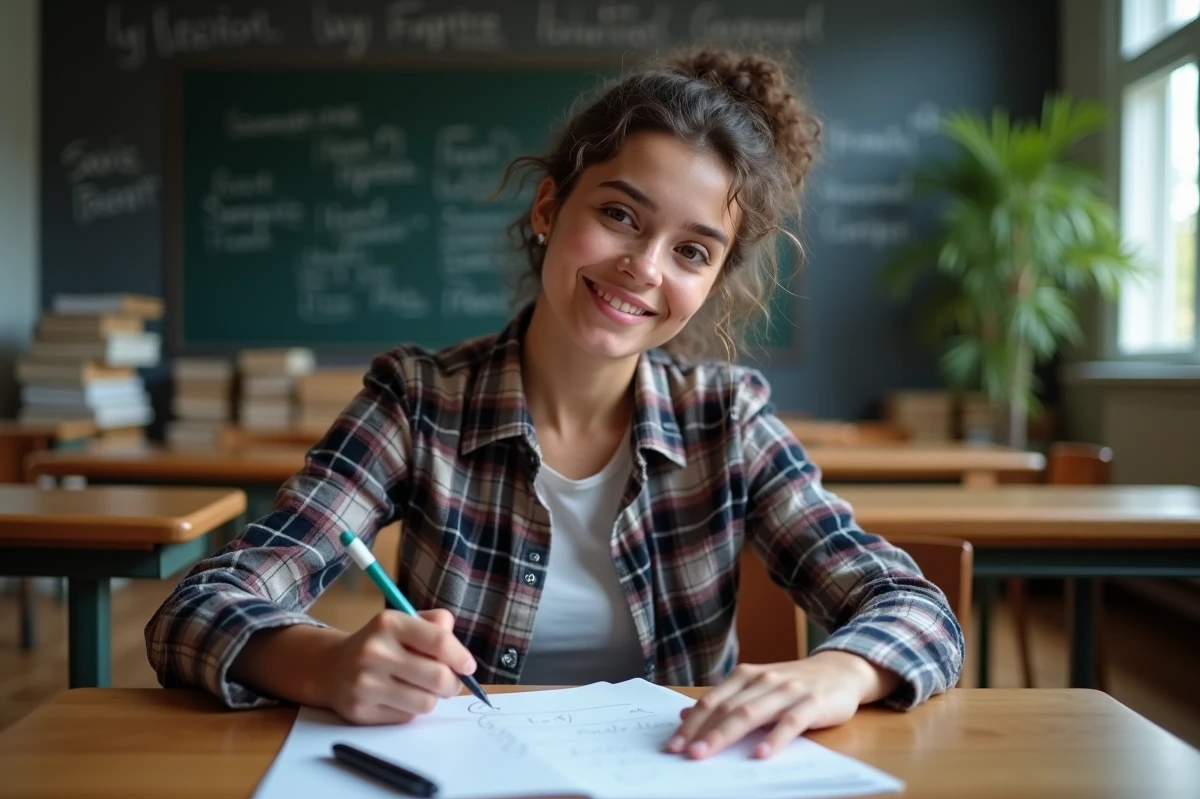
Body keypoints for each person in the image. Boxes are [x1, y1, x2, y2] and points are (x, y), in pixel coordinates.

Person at [146, 47, 963, 761]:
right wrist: (324, 663)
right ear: (548, 209)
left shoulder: (728, 419)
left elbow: (917, 611)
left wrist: (837, 672)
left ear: (712, 283)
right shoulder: (417, 402)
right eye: (619, 215)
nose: (645, 267)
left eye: (691, 250)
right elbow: (196, 608)